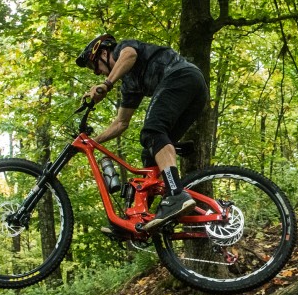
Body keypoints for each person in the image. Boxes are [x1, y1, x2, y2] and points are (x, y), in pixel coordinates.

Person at [76, 34, 210, 231]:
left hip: (181, 76)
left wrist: (106, 85)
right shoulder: (129, 84)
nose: (96, 73)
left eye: (94, 65)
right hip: (193, 90)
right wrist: (93, 142)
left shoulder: (124, 48)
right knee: (150, 153)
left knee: (152, 132)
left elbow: (129, 55)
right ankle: (139, 218)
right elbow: (121, 123)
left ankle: (176, 195)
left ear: (104, 52)